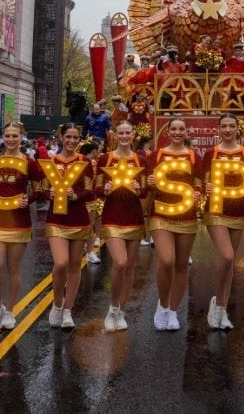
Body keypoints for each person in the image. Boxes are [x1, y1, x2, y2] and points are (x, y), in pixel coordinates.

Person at [202, 114, 244, 330]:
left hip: (237, 210)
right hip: (215, 210)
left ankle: (221, 307)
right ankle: (217, 305)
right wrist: (205, 187)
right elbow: (204, 180)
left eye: (231, 126)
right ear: (218, 129)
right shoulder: (210, 153)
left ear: (237, 128)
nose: (227, 129)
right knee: (227, 256)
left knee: (229, 262)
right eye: (223, 126)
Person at [147, 118, 201, 330]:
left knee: (181, 264)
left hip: (186, 215)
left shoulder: (194, 156)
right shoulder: (156, 155)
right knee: (167, 260)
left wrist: (198, 193)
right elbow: (146, 184)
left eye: (181, 129)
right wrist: (149, 183)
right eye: (174, 129)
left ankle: (173, 310)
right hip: (161, 214)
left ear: (186, 132)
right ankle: (162, 304)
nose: (178, 132)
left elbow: (198, 183)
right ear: (167, 132)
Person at [0, 122, 39, 331]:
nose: (11, 139)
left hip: (19, 221)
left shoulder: (29, 162)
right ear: (2, 137)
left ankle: (10, 310)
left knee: (14, 268)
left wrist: (29, 199)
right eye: (7, 136)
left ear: (21, 137)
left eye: (15, 136)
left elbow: (41, 188)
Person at [40, 123, 95, 330]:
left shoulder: (85, 162)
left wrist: (76, 195)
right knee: (61, 263)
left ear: (79, 139)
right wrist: (49, 194)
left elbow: (90, 190)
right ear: (61, 137)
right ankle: (56, 303)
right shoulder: (51, 161)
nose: (71, 141)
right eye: (68, 137)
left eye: (75, 137)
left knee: (74, 264)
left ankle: (68, 310)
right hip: (57, 218)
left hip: (79, 218)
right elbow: (42, 188)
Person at [96, 121, 147, 331]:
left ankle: (121, 310)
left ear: (133, 135)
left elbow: (144, 191)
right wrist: (105, 188)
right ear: (115, 135)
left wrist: (139, 187)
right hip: (112, 216)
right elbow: (96, 188)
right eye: (121, 133)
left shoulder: (140, 159)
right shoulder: (105, 159)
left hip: (134, 217)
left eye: (128, 132)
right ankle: (112, 307)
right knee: (120, 262)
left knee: (129, 267)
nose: (125, 136)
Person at [79, 139, 104, 264]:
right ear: (94, 151)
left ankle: (88, 251)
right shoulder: (88, 162)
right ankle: (87, 251)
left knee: (89, 226)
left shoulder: (88, 161)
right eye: (98, 150)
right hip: (84, 198)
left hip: (89, 198)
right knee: (88, 226)